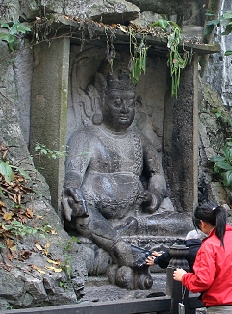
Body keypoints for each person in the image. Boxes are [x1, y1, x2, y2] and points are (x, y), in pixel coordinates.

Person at [61, 68, 189, 288]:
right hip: (97, 214)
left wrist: (156, 194)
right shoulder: (86, 137)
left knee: (185, 223)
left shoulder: (138, 140)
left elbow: (156, 174)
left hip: (135, 216)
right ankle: (121, 248)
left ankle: (123, 249)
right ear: (99, 102)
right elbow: (73, 177)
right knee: (81, 215)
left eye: (130, 103)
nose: (124, 109)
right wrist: (73, 193)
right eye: (117, 102)